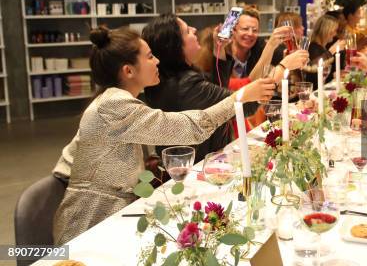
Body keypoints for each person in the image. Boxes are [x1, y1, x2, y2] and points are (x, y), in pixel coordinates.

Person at [53, 26, 275, 245]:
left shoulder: (115, 100)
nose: (157, 61)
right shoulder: (114, 105)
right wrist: (240, 97)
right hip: (90, 227)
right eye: (149, 57)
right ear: (128, 71)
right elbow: (188, 128)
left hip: (112, 217)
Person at [142, 15, 307, 162]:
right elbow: (242, 105)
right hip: (197, 165)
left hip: (203, 157)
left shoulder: (174, 79)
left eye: (254, 30)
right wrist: (283, 67)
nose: (194, 29)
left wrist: (218, 50)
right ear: (175, 46)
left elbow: (215, 91)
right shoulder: (184, 85)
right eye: (187, 31)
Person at [211, 8, 293, 88]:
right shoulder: (221, 51)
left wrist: (288, 54)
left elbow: (282, 54)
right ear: (233, 30)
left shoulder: (259, 46)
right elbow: (225, 86)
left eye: (255, 30)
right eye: (245, 29)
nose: (250, 34)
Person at [304, 15, 342, 89]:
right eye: (334, 30)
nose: (335, 34)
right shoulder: (313, 48)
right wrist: (332, 51)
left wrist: (334, 74)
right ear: (326, 31)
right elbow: (314, 72)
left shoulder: (322, 47)